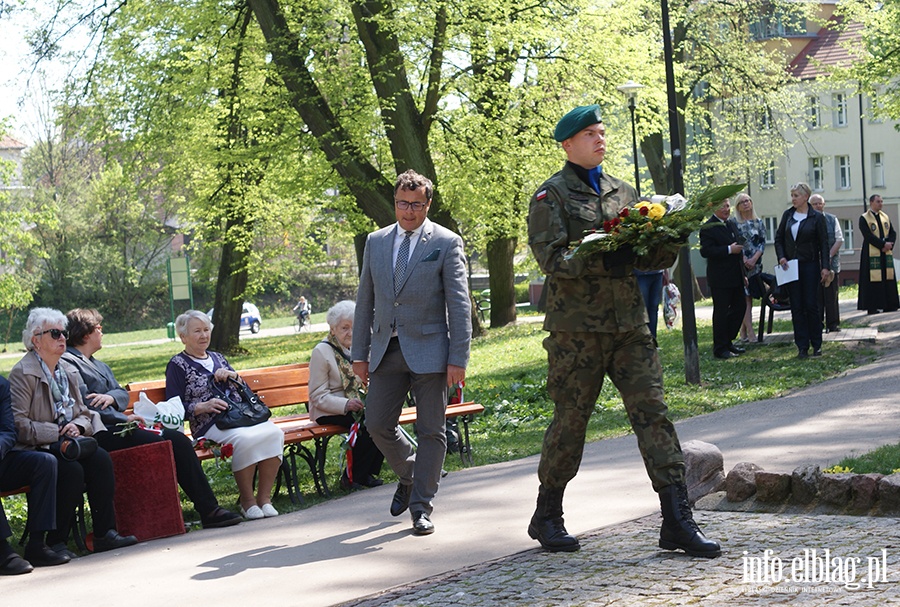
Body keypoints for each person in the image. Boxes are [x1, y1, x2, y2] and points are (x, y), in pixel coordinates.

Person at [525, 104, 719, 557]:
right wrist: (601, 255)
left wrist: (670, 235)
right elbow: (551, 260)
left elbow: (647, 259)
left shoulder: (624, 192)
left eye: (602, 132)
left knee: (653, 414)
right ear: (568, 144)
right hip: (578, 332)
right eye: (589, 134)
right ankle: (547, 513)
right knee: (571, 423)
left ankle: (677, 519)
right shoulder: (549, 197)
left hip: (630, 324)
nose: (599, 139)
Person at [352, 169, 472, 536]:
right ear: (395, 202)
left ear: (427, 204)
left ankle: (421, 506)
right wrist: (359, 354)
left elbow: (459, 304)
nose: (409, 211)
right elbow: (365, 300)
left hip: (433, 351)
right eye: (403, 204)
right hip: (386, 349)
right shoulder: (376, 241)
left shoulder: (446, 242)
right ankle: (411, 473)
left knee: (432, 430)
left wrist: (459, 358)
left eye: (417, 205)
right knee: (377, 423)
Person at [62, 308, 241, 529]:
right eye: (99, 328)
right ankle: (193, 512)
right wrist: (123, 418)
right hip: (99, 432)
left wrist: (110, 397)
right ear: (86, 333)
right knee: (170, 441)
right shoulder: (70, 362)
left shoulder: (99, 364)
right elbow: (87, 403)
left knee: (177, 440)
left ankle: (208, 509)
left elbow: (121, 393)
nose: (102, 332)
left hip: (118, 425)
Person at [9, 308, 137, 557]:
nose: (62, 339)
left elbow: (85, 413)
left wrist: (77, 426)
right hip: (38, 448)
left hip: (70, 441)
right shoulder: (23, 374)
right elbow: (18, 425)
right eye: (55, 333)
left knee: (100, 459)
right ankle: (57, 541)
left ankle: (104, 534)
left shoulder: (66, 371)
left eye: (64, 333)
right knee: (71, 470)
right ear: (36, 340)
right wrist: (55, 432)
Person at [165, 310, 284, 520]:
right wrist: (202, 406)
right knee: (244, 439)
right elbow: (173, 407)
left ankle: (264, 499)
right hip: (209, 424)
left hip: (240, 417)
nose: (204, 335)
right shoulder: (177, 365)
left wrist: (232, 375)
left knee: (274, 433)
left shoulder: (218, 358)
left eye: (206, 330)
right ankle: (247, 502)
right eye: (197, 331)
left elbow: (243, 388)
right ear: (183, 337)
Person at [309, 300, 384, 490]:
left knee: (382, 417)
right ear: (333, 329)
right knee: (367, 423)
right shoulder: (322, 351)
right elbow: (317, 396)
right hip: (328, 409)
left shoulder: (359, 348)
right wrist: (345, 404)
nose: (350, 332)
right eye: (344, 328)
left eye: (354, 327)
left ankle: (367, 472)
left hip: (357, 404)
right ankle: (353, 478)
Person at [1, 374, 68, 572]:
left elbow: (7, 431)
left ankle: (37, 544)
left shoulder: (1, 385)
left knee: (44, 462)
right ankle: (2, 551)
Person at [774, 183, 831, 358]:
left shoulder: (816, 217)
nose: (793, 199)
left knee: (811, 305)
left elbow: (824, 244)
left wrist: (825, 266)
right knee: (796, 306)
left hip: (810, 265)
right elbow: (778, 239)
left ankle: (817, 344)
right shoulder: (788, 215)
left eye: (796, 195)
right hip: (791, 266)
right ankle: (802, 346)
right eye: (792, 195)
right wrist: (782, 256)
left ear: (806, 197)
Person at [700, 198, 747, 359]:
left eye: (728, 206)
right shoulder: (708, 226)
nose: (726, 209)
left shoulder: (731, 223)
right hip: (720, 277)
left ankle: (728, 341)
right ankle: (720, 347)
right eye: (723, 206)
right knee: (721, 312)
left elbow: (739, 250)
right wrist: (728, 249)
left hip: (736, 276)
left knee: (740, 307)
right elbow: (706, 251)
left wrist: (744, 274)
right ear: (713, 207)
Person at [857, 194, 899, 315]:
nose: (881, 203)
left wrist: (890, 244)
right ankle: (873, 306)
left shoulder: (885, 217)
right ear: (871, 203)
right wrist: (882, 245)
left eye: (881, 201)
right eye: (878, 201)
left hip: (885, 253)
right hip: (871, 252)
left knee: (888, 276)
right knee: (872, 279)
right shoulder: (864, 218)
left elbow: (893, 232)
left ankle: (890, 304)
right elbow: (868, 236)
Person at [732, 192, 767, 342]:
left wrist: (754, 259)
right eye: (742, 202)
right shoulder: (734, 223)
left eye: (748, 201)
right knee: (745, 298)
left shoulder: (758, 222)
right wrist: (744, 258)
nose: (746, 203)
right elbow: (735, 242)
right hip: (740, 265)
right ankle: (751, 333)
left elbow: (762, 242)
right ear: (738, 207)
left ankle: (743, 332)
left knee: (750, 297)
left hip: (755, 264)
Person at [809, 195, 843, 331]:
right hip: (812, 264)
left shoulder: (832, 219)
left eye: (820, 203)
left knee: (831, 295)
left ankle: (833, 324)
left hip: (831, 264)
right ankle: (818, 324)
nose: (818, 206)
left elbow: (839, 240)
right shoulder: (807, 220)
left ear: (824, 204)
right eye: (814, 204)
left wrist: (827, 256)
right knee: (816, 296)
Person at [633, 269, 664, 340]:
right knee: (643, 308)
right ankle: (644, 339)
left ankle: (653, 339)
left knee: (654, 308)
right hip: (641, 274)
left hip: (658, 273)